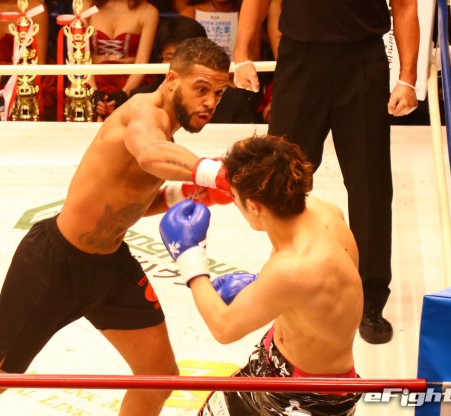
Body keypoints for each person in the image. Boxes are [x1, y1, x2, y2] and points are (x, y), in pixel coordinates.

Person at [0, 37, 233, 416]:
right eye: (201, 89)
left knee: (159, 377)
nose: (210, 102)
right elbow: (150, 153)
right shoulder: (142, 115)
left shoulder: (166, 133)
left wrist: (186, 192)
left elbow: (127, 202)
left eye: (218, 93)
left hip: (111, 268)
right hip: (54, 264)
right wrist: (214, 173)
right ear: (172, 80)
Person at [232, 0, 420, 344]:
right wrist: (242, 53)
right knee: (277, 178)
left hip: (363, 58)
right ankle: (285, 279)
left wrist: (407, 78)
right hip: (300, 57)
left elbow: (405, 6)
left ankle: (369, 299)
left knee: (371, 184)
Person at [160, 134, 363, 415]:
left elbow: (224, 328)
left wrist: (188, 256)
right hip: (275, 360)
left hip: (308, 396)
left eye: (235, 199)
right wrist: (263, 287)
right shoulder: (323, 213)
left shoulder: (293, 268)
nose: (235, 203)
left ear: (255, 206)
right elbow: (328, 290)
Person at [131, 15, 260, 123]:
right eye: (170, 58)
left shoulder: (233, 100)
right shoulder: (141, 100)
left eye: (187, 58)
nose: (180, 66)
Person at [84, 0, 159, 120]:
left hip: (130, 80)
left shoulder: (148, 12)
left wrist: (124, 94)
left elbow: (141, 62)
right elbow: (82, 55)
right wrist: (93, 92)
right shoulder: (85, 5)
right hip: (91, 78)